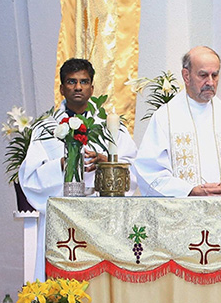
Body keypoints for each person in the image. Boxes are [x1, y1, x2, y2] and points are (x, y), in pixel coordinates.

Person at [19, 58, 138, 280]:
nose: (78, 87)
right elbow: (30, 179)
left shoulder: (112, 126)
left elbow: (135, 170)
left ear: (92, 88)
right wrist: (62, 165)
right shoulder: (46, 128)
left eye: (84, 81)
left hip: (103, 217)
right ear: (62, 88)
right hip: (62, 218)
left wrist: (107, 160)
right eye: (71, 82)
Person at [134, 46, 221, 197]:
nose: (210, 82)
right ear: (186, 76)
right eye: (203, 75)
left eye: (215, 75)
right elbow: (150, 170)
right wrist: (189, 191)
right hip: (181, 214)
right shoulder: (165, 118)